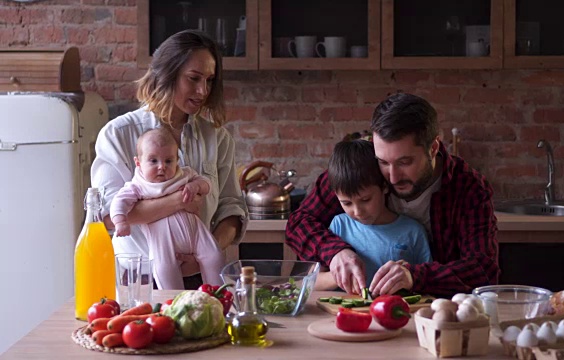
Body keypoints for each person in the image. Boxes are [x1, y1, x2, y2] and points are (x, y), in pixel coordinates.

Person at [286, 92, 499, 298]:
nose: (393, 177)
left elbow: (483, 270)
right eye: (383, 162)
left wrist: (414, 277)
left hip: (433, 314)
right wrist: (334, 252)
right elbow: (299, 223)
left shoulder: (468, 187)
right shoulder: (361, 168)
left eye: (405, 162)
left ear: (433, 148)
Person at [91, 29, 248, 288]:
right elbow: (108, 215)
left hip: (203, 277)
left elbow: (232, 208)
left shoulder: (217, 138)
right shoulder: (117, 134)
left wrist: (205, 250)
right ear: (166, 74)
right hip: (140, 281)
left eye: (209, 80)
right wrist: (178, 201)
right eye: (194, 78)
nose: (202, 90)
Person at [110, 128, 225, 289]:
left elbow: (207, 184)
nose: (162, 167)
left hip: (197, 233)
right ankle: (172, 303)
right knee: (164, 269)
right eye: (153, 161)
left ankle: (217, 295)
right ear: (138, 163)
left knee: (215, 256)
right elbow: (118, 202)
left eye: (168, 161)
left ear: (177, 160)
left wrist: (195, 186)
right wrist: (120, 221)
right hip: (163, 241)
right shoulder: (138, 185)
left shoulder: (184, 174)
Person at [314, 139, 432, 291]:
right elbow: (313, 281)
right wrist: (340, 275)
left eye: (365, 200)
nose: (357, 212)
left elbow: (427, 284)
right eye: (347, 203)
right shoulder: (339, 225)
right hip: (342, 312)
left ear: (384, 187)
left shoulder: (413, 232)